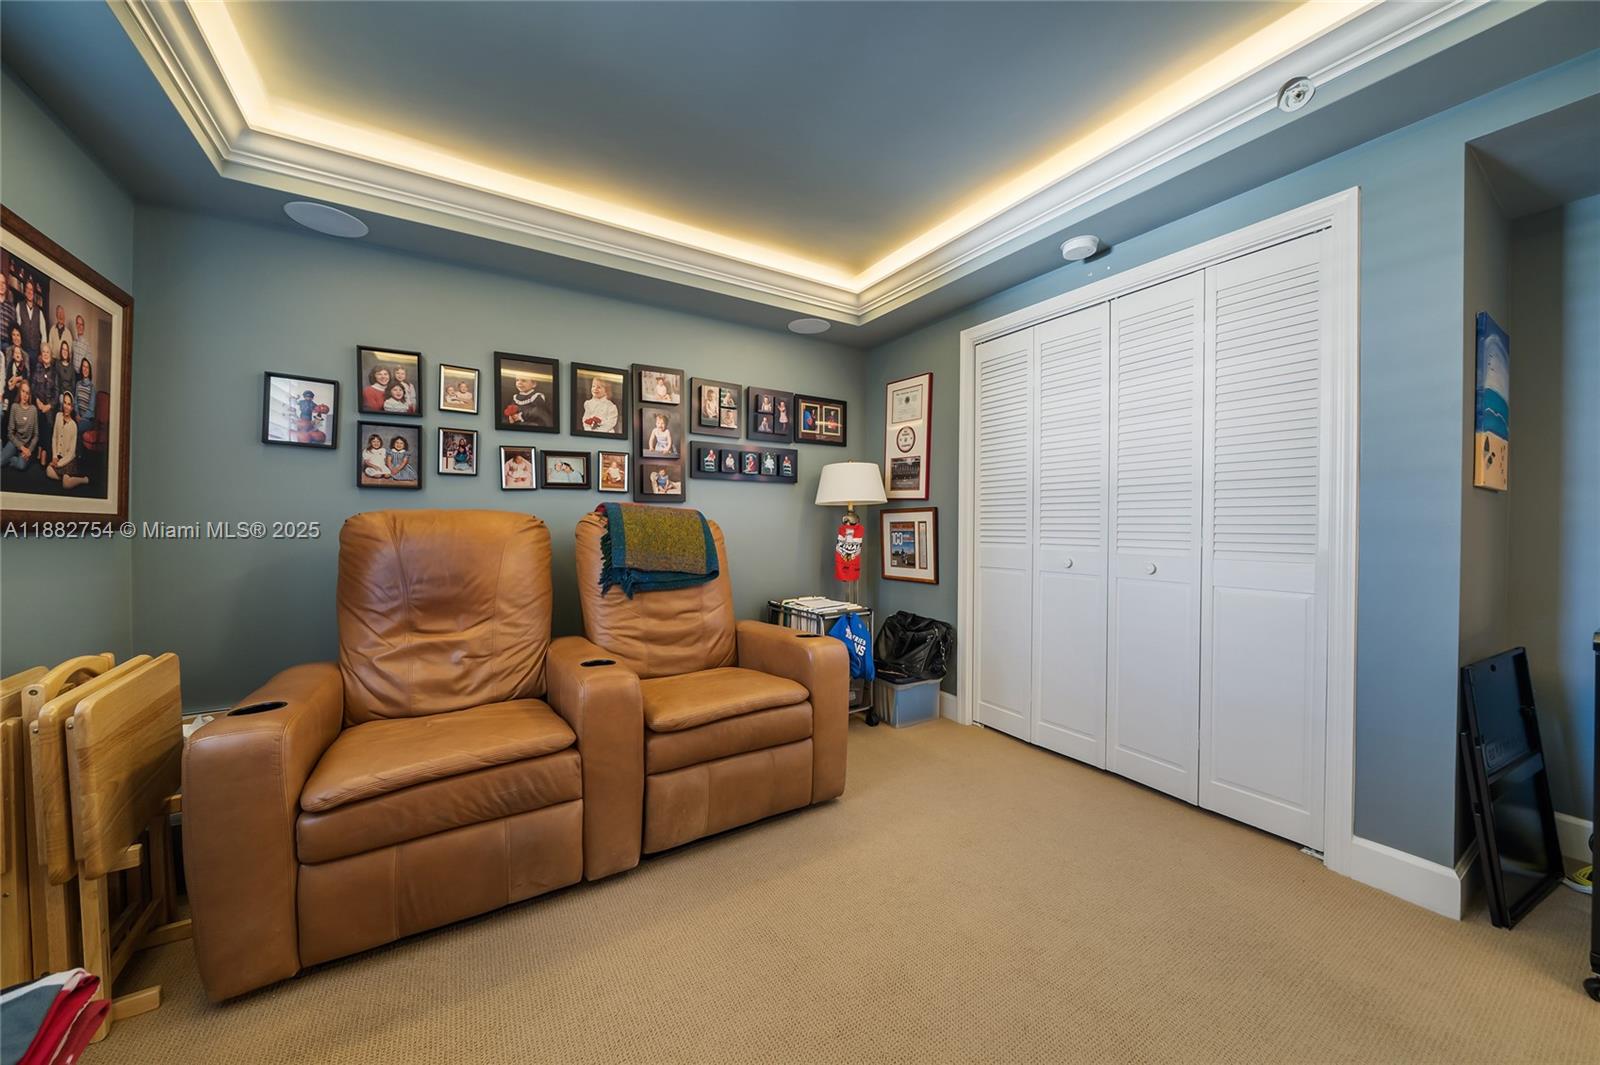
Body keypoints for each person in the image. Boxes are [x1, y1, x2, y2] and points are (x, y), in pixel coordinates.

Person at [45, 391, 88, 489]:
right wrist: (54, 457)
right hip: (58, 457)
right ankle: (64, 478)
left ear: (72, 407)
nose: (66, 406)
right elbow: (54, 438)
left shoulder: (73, 426)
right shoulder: (58, 416)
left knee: (66, 485)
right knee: (48, 471)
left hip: (68, 460)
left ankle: (83, 480)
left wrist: (58, 464)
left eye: (69, 404)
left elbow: (71, 453)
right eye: (65, 403)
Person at [29, 345, 58, 465]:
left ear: (51, 356)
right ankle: (40, 447)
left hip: (49, 405)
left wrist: (49, 406)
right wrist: (37, 401)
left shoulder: (54, 372)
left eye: (48, 352)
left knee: (47, 420)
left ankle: (44, 450)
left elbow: (57, 393)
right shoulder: (38, 367)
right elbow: (32, 387)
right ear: (41, 355)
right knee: (38, 416)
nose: (45, 354)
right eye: (44, 352)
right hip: (38, 402)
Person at [2, 380, 38, 470]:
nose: (25, 395)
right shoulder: (14, 407)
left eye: (27, 393)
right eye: (23, 391)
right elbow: (10, 433)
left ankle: (11, 458)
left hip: (27, 445)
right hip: (15, 442)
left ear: (29, 395)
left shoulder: (33, 410)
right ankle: (8, 454)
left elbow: (36, 435)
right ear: (19, 392)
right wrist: (21, 448)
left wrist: (29, 450)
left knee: (21, 466)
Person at [14, 279, 45, 362]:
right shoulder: (19, 306)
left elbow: (44, 334)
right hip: (23, 349)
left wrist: (42, 352)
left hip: (35, 351)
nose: (29, 291)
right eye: (27, 289)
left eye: (31, 289)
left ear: (34, 293)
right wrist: (17, 347)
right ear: (25, 292)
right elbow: (17, 329)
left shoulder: (39, 312)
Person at [4, 327, 29, 417]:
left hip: (20, 386)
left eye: (18, 335)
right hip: (9, 384)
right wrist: (10, 383)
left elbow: (27, 375)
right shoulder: (8, 351)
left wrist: (18, 381)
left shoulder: (25, 355)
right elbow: (6, 372)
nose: (16, 337)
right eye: (13, 335)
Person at [74, 357, 96, 442]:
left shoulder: (92, 387)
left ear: (89, 370)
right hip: (78, 417)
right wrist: (77, 414)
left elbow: (91, 408)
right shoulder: (78, 384)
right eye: (83, 366)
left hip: (87, 420)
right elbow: (75, 401)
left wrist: (82, 418)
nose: (85, 369)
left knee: (75, 428)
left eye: (87, 367)